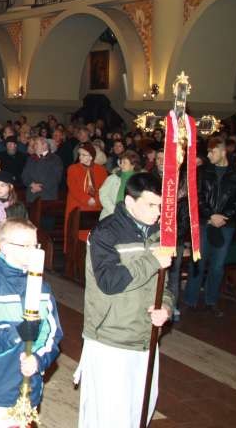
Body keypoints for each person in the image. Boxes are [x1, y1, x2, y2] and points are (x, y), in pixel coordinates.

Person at [77, 172, 172, 427]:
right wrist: (152, 260)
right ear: (130, 202)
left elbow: (165, 284)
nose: (158, 213)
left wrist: (165, 307)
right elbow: (109, 282)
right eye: (150, 205)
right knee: (108, 415)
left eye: (160, 206)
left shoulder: (160, 234)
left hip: (145, 336)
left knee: (140, 409)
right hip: (111, 337)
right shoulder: (105, 233)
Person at [0, 219, 62, 428]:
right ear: (4, 246)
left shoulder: (42, 290)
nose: (34, 252)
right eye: (25, 246)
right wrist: (15, 333)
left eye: (35, 245)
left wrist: (38, 360)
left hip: (28, 390)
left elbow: (52, 336)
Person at [182, 137, 236, 317]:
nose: (209, 155)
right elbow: (197, 197)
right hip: (204, 222)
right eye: (208, 152)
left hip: (226, 224)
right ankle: (190, 300)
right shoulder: (202, 171)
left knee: (217, 266)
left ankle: (211, 301)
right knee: (198, 262)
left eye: (212, 151)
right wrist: (211, 215)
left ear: (223, 152)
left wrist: (224, 217)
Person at [64, 143, 107, 249]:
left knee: (92, 236)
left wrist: (96, 200)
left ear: (91, 157)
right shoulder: (72, 169)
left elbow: (103, 189)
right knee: (76, 238)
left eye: (84, 155)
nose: (80, 157)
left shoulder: (101, 170)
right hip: (77, 207)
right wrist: (87, 199)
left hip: (95, 208)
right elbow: (73, 188)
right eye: (79, 154)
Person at [98, 149, 140, 220]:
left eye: (124, 163)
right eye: (121, 162)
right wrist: (114, 210)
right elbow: (103, 194)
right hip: (111, 214)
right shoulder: (113, 177)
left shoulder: (138, 180)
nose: (121, 165)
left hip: (130, 217)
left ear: (133, 165)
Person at [21, 137, 63, 206]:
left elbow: (56, 178)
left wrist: (40, 187)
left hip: (47, 196)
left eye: (36, 144)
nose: (34, 146)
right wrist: (31, 184)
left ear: (45, 145)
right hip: (31, 195)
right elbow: (24, 175)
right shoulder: (30, 158)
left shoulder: (55, 159)